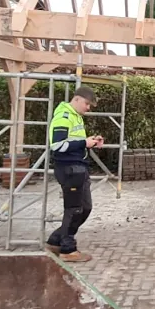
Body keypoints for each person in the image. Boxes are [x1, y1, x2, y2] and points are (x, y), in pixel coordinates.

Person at [46, 85, 103, 262]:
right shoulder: (63, 117)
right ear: (76, 99)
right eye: (87, 104)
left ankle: (55, 241)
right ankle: (68, 250)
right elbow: (57, 145)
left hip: (78, 168)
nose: (88, 108)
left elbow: (75, 141)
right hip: (69, 169)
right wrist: (84, 143)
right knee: (74, 209)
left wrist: (90, 141)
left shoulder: (74, 116)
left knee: (84, 208)